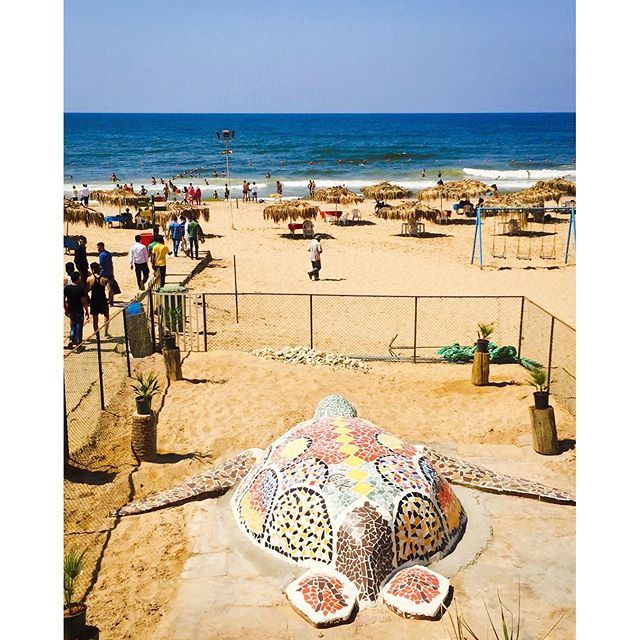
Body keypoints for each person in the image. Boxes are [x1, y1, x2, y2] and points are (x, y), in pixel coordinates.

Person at [64, 271, 89, 349]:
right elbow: (84, 301)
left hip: (71, 310)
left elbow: (63, 299)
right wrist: (87, 311)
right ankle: (78, 343)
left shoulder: (67, 288)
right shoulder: (80, 289)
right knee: (79, 326)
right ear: (78, 279)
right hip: (79, 310)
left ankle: (72, 339)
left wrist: (65, 308)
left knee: (72, 325)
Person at [87, 262, 111, 337]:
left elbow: (86, 290)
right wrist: (109, 299)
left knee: (95, 319)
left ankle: (97, 336)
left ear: (93, 270)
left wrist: (88, 299)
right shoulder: (104, 279)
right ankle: (106, 332)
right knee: (106, 315)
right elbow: (110, 290)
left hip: (94, 300)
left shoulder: (90, 279)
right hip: (102, 299)